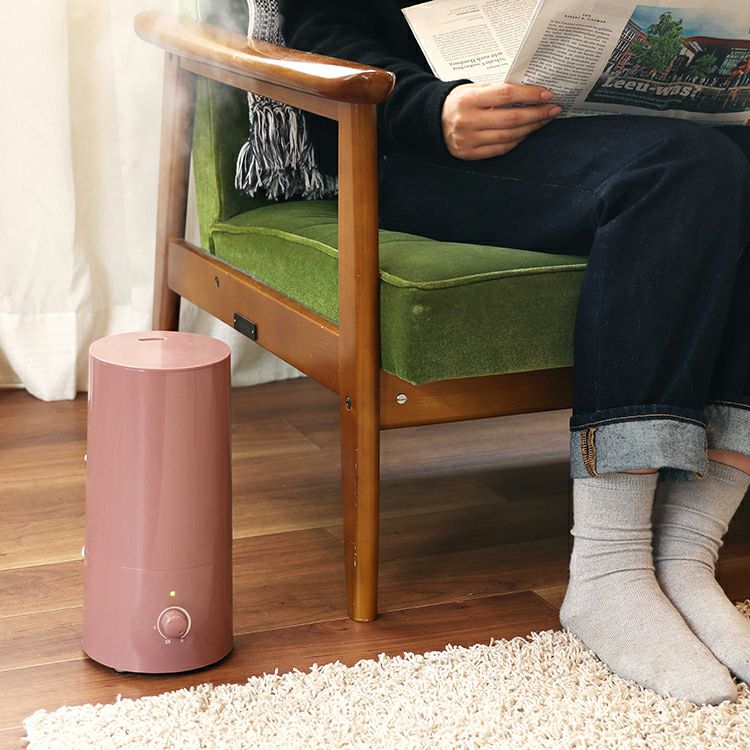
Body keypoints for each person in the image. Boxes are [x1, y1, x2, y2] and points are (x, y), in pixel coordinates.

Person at [278, 0, 750, 705]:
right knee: (682, 168)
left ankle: (686, 555)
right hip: (429, 148)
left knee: (722, 159)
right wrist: (431, 108)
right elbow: (322, 31)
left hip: (609, 128)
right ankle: (609, 570)